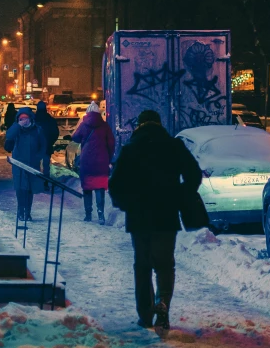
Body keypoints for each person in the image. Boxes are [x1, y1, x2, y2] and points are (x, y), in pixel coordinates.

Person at [109, 109, 202, 331]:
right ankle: (163, 304)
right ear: (159, 125)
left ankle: (145, 314)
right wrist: (180, 194)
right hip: (166, 215)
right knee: (164, 265)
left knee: (142, 266)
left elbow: (115, 184)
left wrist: (126, 204)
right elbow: (194, 175)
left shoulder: (130, 149)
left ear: (139, 126)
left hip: (138, 218)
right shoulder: (174, 147)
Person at [72, 101, 115, 224]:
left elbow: (75, 138)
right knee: (100, 187)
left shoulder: (84, 125)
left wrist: (81, 123)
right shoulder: (105, 126)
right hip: (101, 160)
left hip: (86, 161)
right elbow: (111, 144)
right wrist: (109, 157)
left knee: (87, 188)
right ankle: (101, 215)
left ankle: (88, 214)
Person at [4, 107, 47, 221]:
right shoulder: (17, 129)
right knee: (20, 189)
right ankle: (20, 211)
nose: (24, 120)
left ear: (30, 118)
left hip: (32, 165)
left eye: (25, 118)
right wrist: (17, 125)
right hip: (19, 164)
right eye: (21, 118)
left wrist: (38, 157)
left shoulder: (37, 130)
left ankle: (28, 212)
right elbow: (9, 136)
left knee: (29, 189)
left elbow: (43, 145)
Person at [35, 101, 60, 185]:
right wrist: (50, 142)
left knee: (36, 164)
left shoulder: (34, 119)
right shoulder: (50, 120)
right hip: (47, 145)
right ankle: (46, 181)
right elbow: (55, 132)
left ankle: (37, 180)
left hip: (36, 146)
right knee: (46, 165)